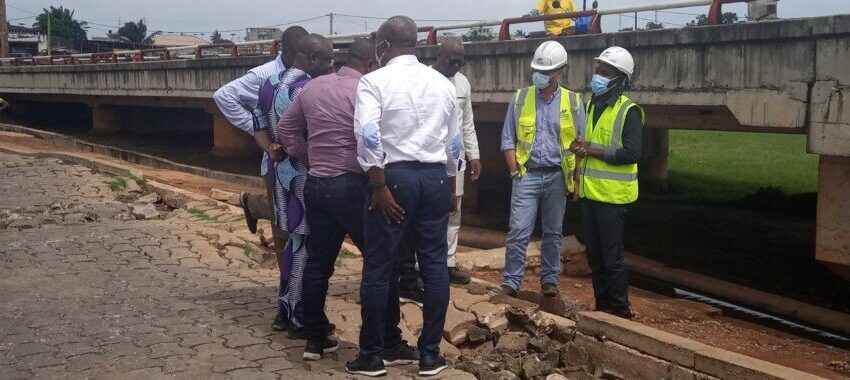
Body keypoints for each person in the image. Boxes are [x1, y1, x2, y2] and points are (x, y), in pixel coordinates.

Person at [348, 16, 460, 378]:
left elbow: (368, 135)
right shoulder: (442, 84)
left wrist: (378, 186)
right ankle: (430, 355)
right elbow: (453, 144)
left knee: (380, 266)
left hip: (392, 178)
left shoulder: (373, 81)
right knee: (434, 265)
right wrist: (452, 188)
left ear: (382, 45)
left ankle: (372, 355)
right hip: (434, 179)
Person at [277, 38, 377, 360]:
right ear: (369, 64)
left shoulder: (313, 88)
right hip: (352, 186)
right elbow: (376, 138)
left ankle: (315, 338)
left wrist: (308, 157)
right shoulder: (366, 90)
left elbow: (286, 129)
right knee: (377, 261)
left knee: (318, 264)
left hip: (317, 185)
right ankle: (379, 342)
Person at [253, 34, 335, 337]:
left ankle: (283, 310)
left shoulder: (268, 83)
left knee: (293, 242)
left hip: (279, 174)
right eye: (327, 60)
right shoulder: (309, 89)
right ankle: (300, 318)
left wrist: (269, 148)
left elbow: (258, 127)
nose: (331, 66)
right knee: (306, 246)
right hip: (305, 175)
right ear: (310, 56)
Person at [212, 26, 307, 263]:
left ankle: (253, 204)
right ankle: (288, 284)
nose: (300, 61)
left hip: (305, 160)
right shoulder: (263, 76)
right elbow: (223, 96)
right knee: (283, 227)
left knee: (302, 214)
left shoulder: (309, 74)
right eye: (296, 55)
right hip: (277, 160)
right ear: (285, 50)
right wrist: (255, 128)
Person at [397, 37, 480, 305]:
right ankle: (421, 269)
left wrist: (474, 155)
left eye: (460, 61)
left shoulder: (463, 83)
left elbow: (467, 123)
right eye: (450, 60)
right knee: (425, 216)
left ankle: (448, 262)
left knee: (454, 209)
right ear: (438, 55)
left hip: (455, 159)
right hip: (430, 160)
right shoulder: (424, 80)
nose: (455, 66)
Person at [499, 41, 585, 299]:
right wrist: (514, 170)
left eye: (545, 71)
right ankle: (512, 282)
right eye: (537, 70)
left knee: (553, 233)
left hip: (558, 176)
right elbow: (507, 139)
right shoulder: (520, 98)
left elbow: (580, 143)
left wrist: (577, 180)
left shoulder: (574, 101)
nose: (539, 75)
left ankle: (549, 281)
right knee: (518, 232)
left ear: (559, 71)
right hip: (527, 174)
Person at [570, 46, 643, 320]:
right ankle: (602, 306)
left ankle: (621, 309)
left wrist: (592, 149)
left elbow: (632, 153)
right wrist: (580, 149)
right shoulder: (591, 105)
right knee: (595, 255)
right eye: (598, 70)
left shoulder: (629, 111)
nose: (597, 76)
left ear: (619, 79)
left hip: (613, 197)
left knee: (612, 256)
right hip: (590, 193)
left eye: (605, 72)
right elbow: (587, 143)